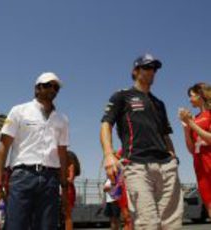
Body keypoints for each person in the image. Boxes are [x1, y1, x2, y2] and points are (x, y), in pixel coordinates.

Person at [100, 54, 183, 230]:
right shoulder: (122, 96)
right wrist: (108, 155)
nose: (151, 71)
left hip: (166, 167)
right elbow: (106, 124)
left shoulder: (159, 103)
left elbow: (166, 135)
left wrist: (173, 157)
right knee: (148, 224)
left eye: (154, 68)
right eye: (147, 67)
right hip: (137, 165)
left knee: (171, 225)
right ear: (135, 71)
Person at [0, 72, 69, 230]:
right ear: (37, 89)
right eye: (48, 85)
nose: (52, 89)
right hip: (22, 177)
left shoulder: (62, 119)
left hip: (50, 180)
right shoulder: (19, 111)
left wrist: (64, 187)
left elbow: (62, 155)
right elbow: (3, 148)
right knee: (15, 226)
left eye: (56, 87)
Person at [178, 82, 211, 218]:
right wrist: (186, 128)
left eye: (191, 96)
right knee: (209, 204)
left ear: (200, 95)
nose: (189, 99)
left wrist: (191, 124)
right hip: (200, 166)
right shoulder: (195, 118)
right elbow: (191, 150)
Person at [65, 150, 81, 230]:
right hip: (67, 189)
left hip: (68, 190)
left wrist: (60, 178)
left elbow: (70, 179)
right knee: (66, 215)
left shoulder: (71, 166)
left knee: (67, 215)